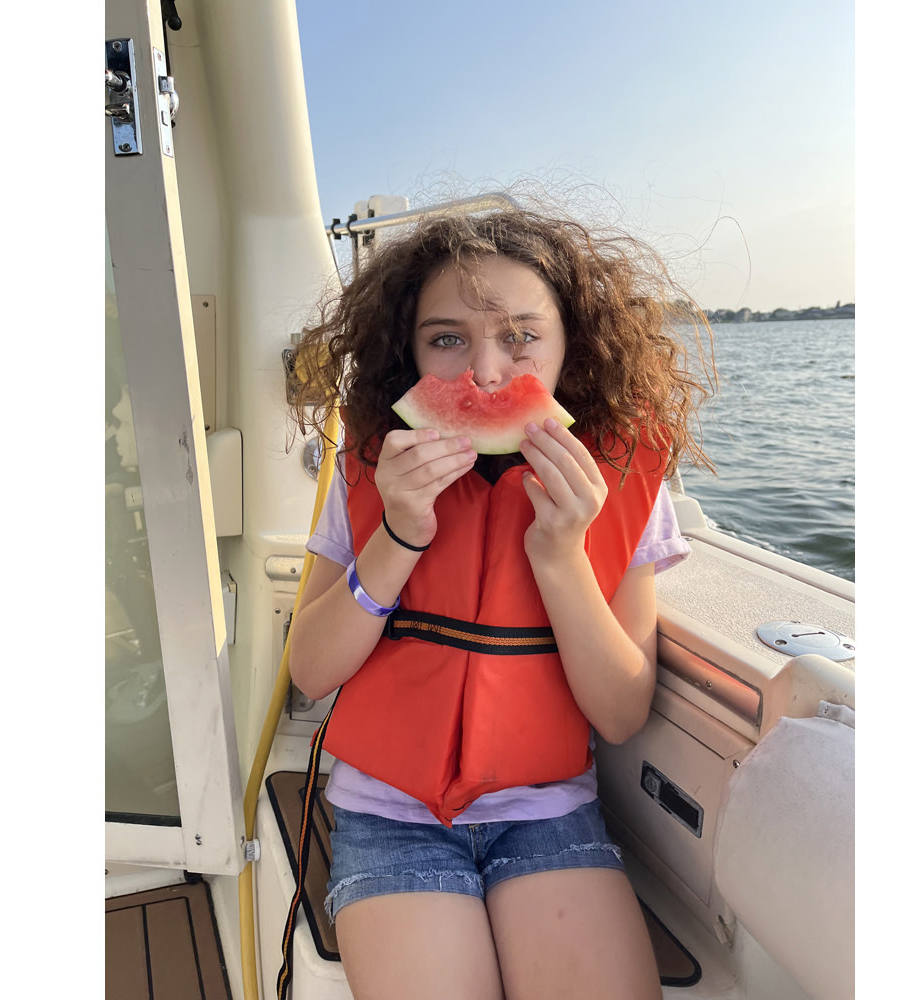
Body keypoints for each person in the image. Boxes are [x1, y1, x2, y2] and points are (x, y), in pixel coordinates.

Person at [286, 206, 712, 1000]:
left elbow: (619, 714)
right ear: (407, 351)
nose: (484, 374)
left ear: (568, 349)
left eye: (521, 337)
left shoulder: (618, 479)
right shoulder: (374, 467)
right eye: (447, 339)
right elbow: (311, 670)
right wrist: (401, 537)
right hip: (391, 814)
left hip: (548, 814)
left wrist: (559, 554)